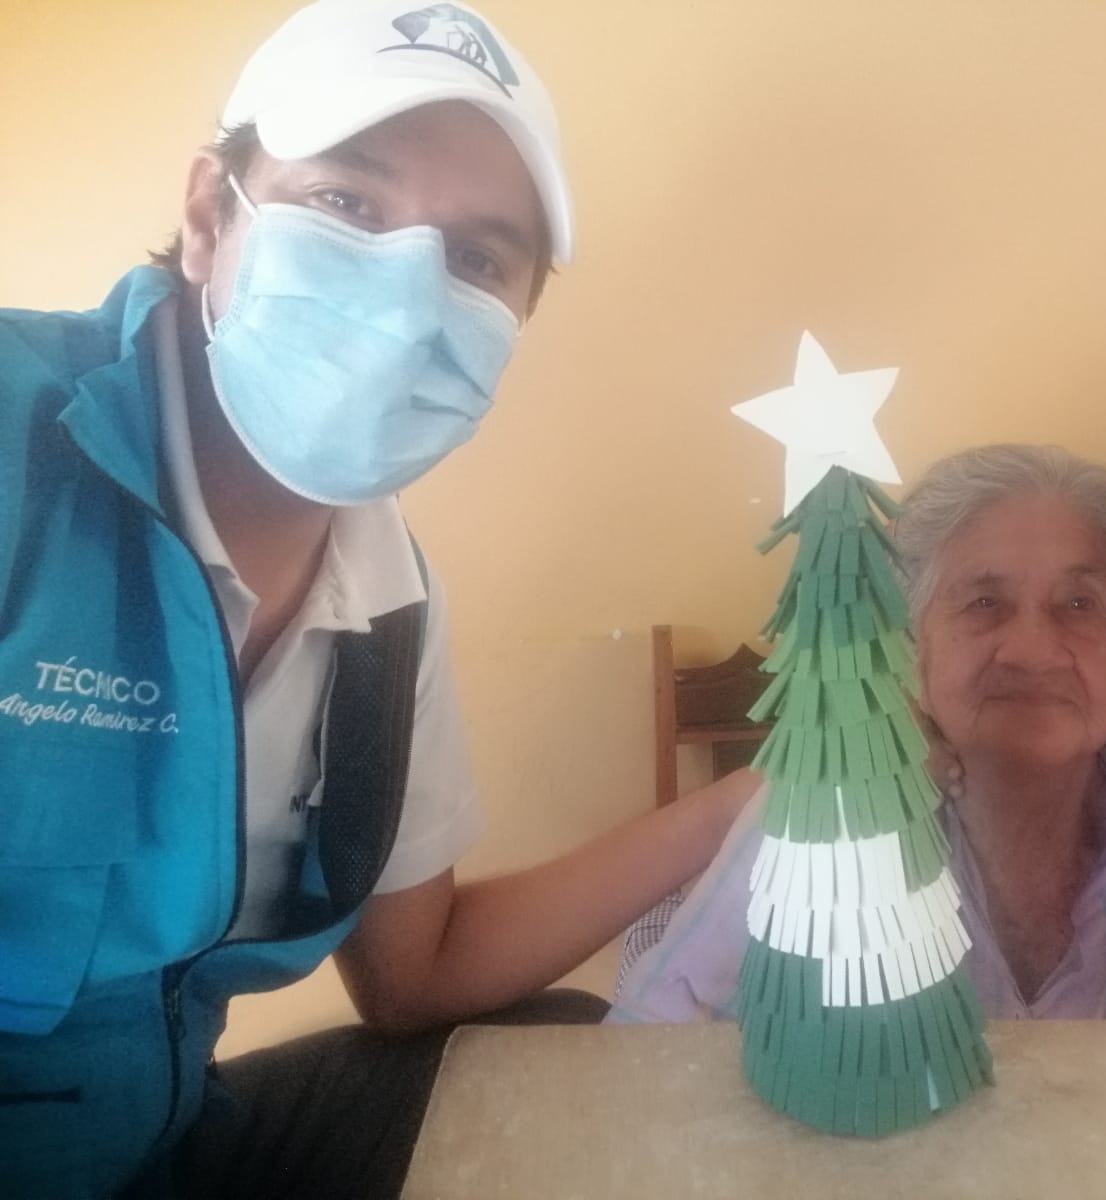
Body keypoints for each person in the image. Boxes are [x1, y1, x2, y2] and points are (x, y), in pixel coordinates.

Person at [0, 3, 747, 1197]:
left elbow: (416, 975)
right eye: (346, 202)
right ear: (209, 216)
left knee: (559, 1054)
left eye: (477, 258)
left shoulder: (387, 600)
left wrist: (743, 804)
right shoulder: (18, 443)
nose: (405, 294)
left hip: (172, 1146)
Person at [609, 445, 1106, 1026]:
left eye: (1079, 603)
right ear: (911, 654)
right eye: (983, 602)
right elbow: (643, 1066)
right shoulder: (822, 831)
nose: (1033, 650)